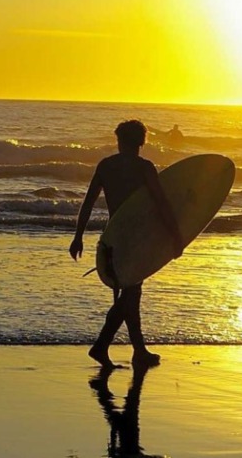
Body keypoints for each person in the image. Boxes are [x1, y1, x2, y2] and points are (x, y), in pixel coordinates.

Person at [70, 120, 182, 370]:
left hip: (112, 238)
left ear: (119, 140)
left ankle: (139, 351)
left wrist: (78, 236)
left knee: (131, 294)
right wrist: (176, 235)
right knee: (130, 295)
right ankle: (102, 345)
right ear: (142, 142)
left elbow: (87, 203)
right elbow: (161, 203)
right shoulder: (144, 168)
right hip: (136, 240)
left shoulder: (106, 166)